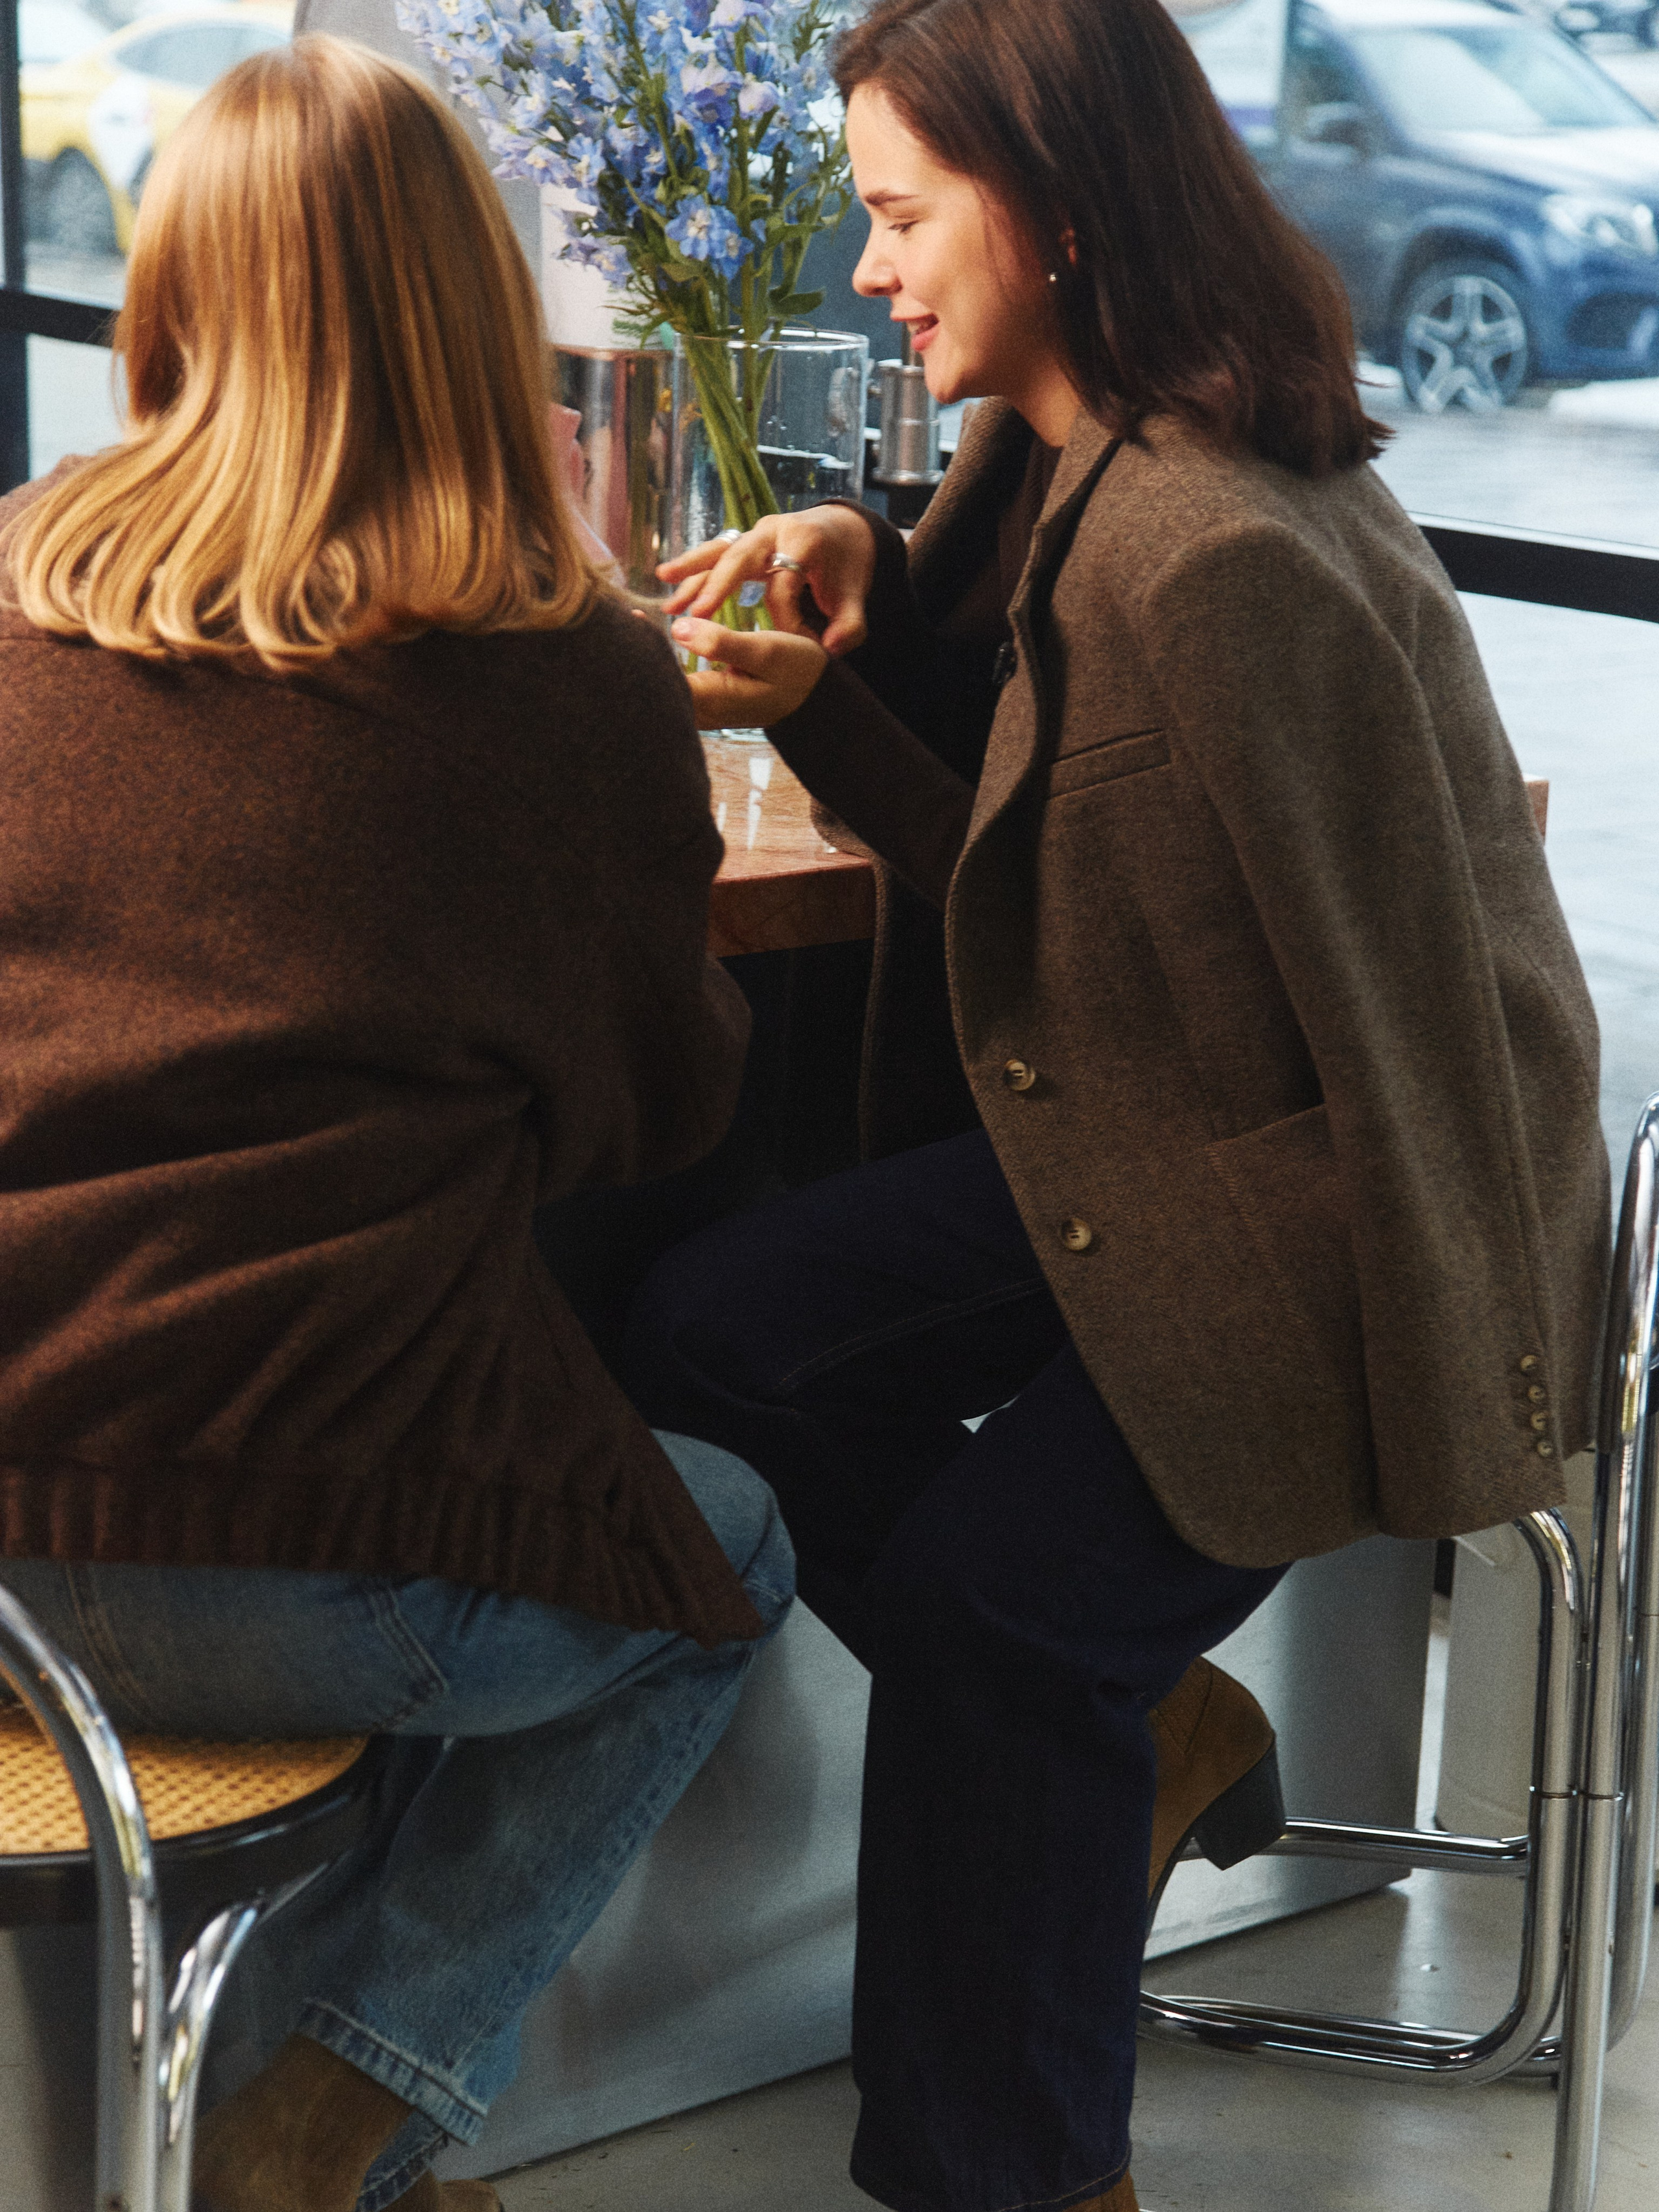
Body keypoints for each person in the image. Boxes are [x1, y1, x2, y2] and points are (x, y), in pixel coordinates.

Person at [623, 2, 1613, 2209]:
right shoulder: (1076, 466)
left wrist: (1469, 1401)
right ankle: (1149, 1726)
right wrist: (857, 656)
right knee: (714, 1332)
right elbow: (1043, 860)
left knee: (997, 1615)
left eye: (896, 216)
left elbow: (1421, 1038)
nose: (869, 270)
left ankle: (1026, 2173)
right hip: (1156, 1140)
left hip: (1336, 1231)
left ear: (1060, 216)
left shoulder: (1219, 554)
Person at [0, 37, 792, 2212]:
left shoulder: (10, 592)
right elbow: (659, 1108)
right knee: (717, 1541)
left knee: (430, 1493)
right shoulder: (558, 670)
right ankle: (340, 2109)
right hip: (295, 1570)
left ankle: (307, 2145)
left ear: (167, 292)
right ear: (474, 311)